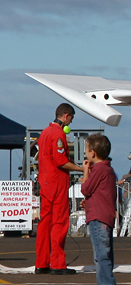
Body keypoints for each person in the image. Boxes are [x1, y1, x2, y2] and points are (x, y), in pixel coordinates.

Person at [35, 103, 83, 275]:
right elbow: (61, 161)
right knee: (59, 222)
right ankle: (57, 263)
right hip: (56, 183)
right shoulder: (58, 134)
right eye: (71, 118)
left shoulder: (45, 133)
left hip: (45, 182)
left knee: (44, 222)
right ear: (65, 116)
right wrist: (81, 168)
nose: (71, 121)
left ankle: (41, 263)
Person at [81, 133, 118, 285]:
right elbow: (99, 194)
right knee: (106, 255)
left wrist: (86, 170)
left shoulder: (99, 169)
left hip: (98, 218)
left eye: (87, 150)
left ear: (93, 153)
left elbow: (86, 189)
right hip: (106, 216)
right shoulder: (109, 170)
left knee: (101, 256)